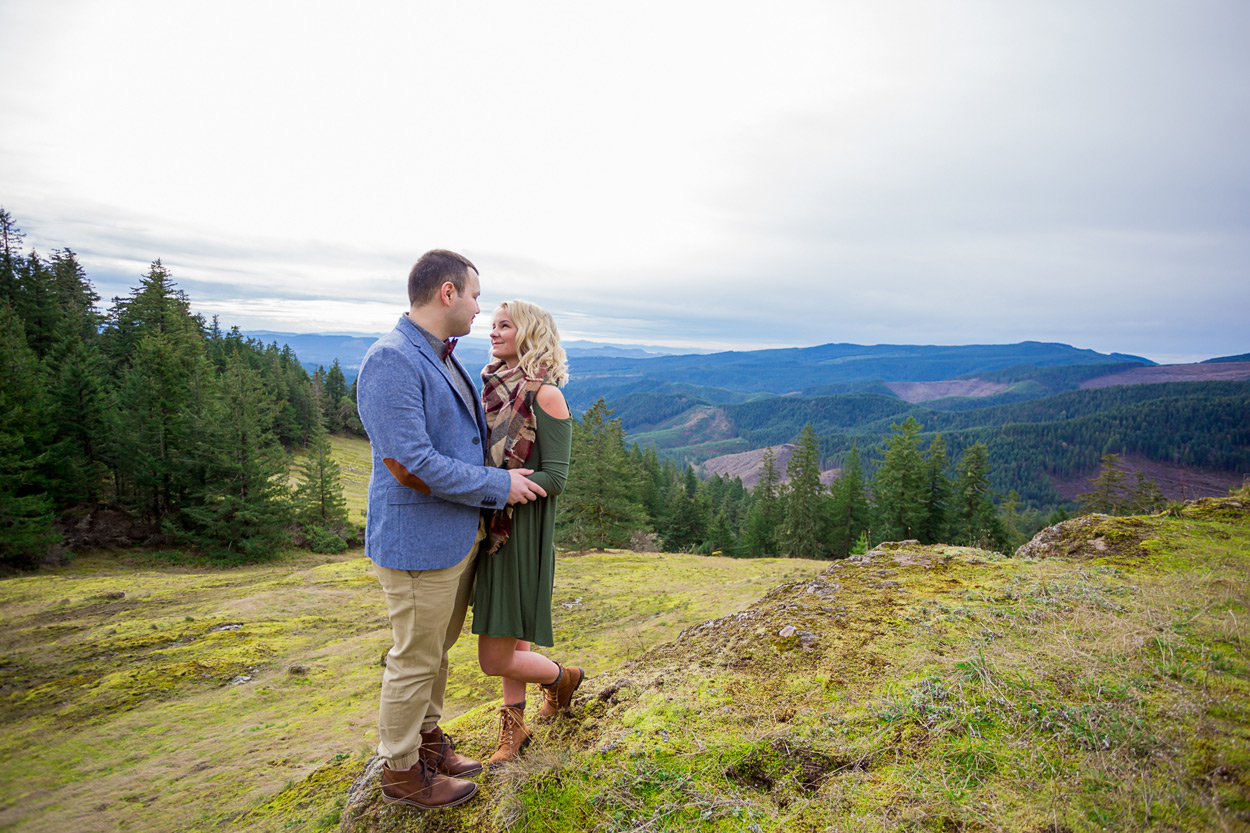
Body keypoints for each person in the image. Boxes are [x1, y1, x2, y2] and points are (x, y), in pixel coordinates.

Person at [355, 250, 547, 810]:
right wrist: (498, 485)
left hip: (449, 539)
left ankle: (429, 742)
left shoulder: (439, 355)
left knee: (436, 652)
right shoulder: (392, 359)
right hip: (417, 543)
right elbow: (408, 463)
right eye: (474, 295)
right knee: (414, 657)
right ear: (447, 293)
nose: (478, 307)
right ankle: (401, 771)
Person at [472, 299, 584, 768]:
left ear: (530, 333)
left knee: (495, 657)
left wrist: (498, 488)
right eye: (492, 325)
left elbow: (557, 477)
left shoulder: (546, 394)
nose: (493, 332)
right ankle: (515, 730)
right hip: (490, 520)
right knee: (513, 638)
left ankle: (562, 678)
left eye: (504, 326)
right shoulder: (489, 387)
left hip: (522, 527)